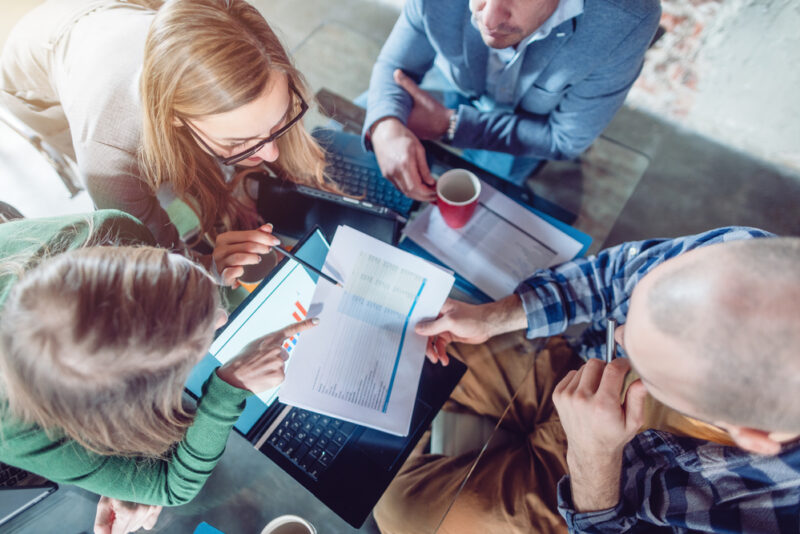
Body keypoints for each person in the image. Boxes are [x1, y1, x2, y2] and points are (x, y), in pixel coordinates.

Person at [374, 226, 800, 533]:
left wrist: (593, 455)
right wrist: (493, 317)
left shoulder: (770, 512)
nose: (617, 334)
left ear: (756, 436)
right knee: (418, 341)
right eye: (631, 320)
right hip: (574, 370)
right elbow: (612, 275)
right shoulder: (741, 255)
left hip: (602, 481)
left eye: (647, 371)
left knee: (397, 508)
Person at [0, 210, 317, 533]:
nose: (221, 318)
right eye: (197, 342)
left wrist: (210, 269)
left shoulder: (115, 227)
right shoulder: (16, 434)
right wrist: (227, 388)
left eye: (178, 268)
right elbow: (171, 488)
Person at [0, 0, 330, 279]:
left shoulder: (249, 57)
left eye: (281, 119)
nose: (272, 154)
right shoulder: (107, 152)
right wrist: (208, 265)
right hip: (38, 61)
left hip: (113, 18)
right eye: (239, 141)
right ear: (173, 117)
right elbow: (148, 252)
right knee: (152, 191)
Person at [363, 0, 661, 200]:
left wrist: (450, 125)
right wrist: (384, 124)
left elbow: (564, 139)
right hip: (446, 86)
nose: (488, 18)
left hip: (525, 128)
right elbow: (395, 65)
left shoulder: (628, 19)